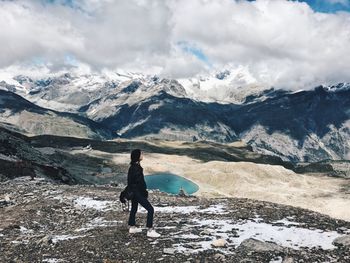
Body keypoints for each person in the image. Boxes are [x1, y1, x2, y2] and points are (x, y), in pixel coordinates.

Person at [127, 149, 161, 238]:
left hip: (133, 192)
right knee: (150, 209)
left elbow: (130, 182)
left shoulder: (132, 167)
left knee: (134, 208)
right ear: (137, 156)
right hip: (137, 192)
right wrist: (144, 192)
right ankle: (150, 230)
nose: (142, 155)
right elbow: (140, 183)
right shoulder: (137, 168)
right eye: (141, 154)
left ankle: (132, 227)